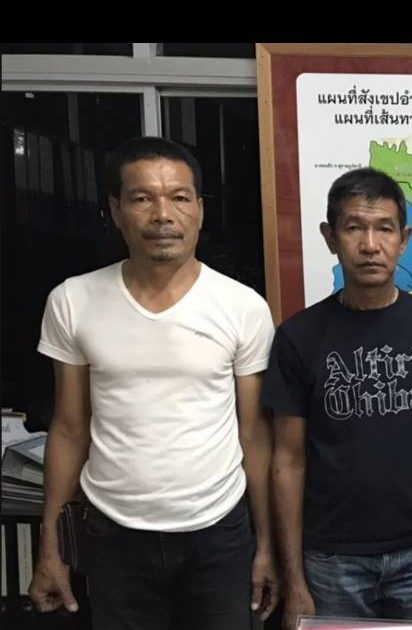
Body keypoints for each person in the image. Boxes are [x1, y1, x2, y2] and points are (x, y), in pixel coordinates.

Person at [29, 136, 278, 627]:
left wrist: (266, 544)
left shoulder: (242, 306)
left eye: (179, 197)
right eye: (142, 198)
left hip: (218, 534)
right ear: (116, 210)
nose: (163, 215)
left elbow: (254, 433)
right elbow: (69, 428)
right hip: (114, 535)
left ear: (199, 210)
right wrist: (51, 546)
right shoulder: (73, 300)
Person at [264, 167, 412, 626]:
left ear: (403, 239)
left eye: (384, 228)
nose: (370, 245)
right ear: (330, 237)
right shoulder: (298, 338)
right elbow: (287, 460)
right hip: (331, 560)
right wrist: (294, 579)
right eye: (354, 228)